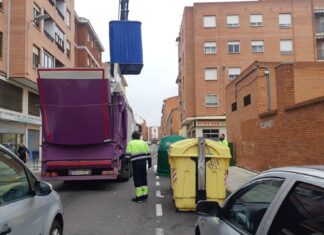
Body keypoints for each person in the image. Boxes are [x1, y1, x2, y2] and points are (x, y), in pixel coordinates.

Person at [126, 131, 151, 202]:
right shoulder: (144, 142)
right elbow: (148, 154)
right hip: (143, 163)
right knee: (143, 178)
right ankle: (145, 195)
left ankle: (139, 197)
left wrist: (126, 164)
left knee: (137, 179)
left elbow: (128, 155)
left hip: (136, 164)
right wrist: (149, 163)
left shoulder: (131, 143)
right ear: (139, 136)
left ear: (133, 137)